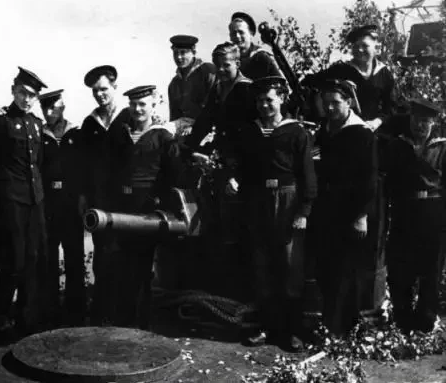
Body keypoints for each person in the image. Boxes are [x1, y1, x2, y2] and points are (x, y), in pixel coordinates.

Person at [0, 66, 49, 342]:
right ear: (13, 91)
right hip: (11, 203)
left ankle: (27, 319)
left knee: (33, 260)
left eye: (32, 95)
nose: (27, 99)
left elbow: (38, 164)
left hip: (34, 201)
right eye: (22, 93)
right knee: (11, 261)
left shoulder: (36, 124)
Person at [241, 76, 317, 351]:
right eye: (260, 101)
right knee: (263, 267)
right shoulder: (250, 132)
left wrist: (303, 210)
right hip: (258, 201)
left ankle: (293, 331)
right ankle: (265, 327)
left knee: (290, 266)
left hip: (288, 199)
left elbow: (307, 175)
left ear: (282, 99)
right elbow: (243, 169)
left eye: (270, 100)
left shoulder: (296, 132)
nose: (264, 105)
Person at [103, 85, 185, 328]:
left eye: (142, 104)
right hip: (122, 209)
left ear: (153, 105)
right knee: (122, 265)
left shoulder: (163, 137)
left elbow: (174, 175)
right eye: (133, 104)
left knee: (143, 266)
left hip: (147, 211)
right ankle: (123, 321)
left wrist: (159, 201)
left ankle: (142, 325)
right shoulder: (121, 134)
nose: (137, 109)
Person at [183, 42, 255, 298]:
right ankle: (221, 291)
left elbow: (251, 137)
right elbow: (204, 122)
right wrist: (188, 149)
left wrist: (239, 174)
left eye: (227, 65)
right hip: (222, 164)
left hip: (242, 168)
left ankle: (241, 294)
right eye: (218, 66)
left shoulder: (247, 90)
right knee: (218, 226)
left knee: (237, 228)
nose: (222, 70)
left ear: (237, 64)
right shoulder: (218, 89)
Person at [312, 79, 378, 336]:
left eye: (335, 103)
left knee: (346, 270)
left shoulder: (362, 134)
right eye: (326, 103)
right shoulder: (324, 131)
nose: (329, 108)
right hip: (325, 209)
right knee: (325, 267)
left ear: (348, 102)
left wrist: (361, 215)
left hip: (350, 211)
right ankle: (329, 324)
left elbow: (369, 178)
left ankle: (343, 328)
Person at [382, 98, 446, 333]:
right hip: (404, 211)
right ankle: (403, 321)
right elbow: (387, 181)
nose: (420, 125)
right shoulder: (396, 146)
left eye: (425, 121)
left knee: (431, 269)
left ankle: (426, 322)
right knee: (400, 268)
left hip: (434, 211)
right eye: (417, 120)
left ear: (433, 123)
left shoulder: (441, 148)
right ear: (410, 119)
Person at [78, 65, 131, 325]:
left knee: (127, 254)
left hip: (127, 201)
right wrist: (83, 197)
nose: (100, 95)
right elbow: (82, 166)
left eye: (104, 89)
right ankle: (103, 312)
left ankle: (126, 312)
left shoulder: (129, 117)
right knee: (102, 254)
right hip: (99, 201)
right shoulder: (89, 124)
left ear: (114, 87)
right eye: (95, 91)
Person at [38, 89, 86, 326]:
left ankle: (76, 311)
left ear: (63, 107)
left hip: (71, 202)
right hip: (47, 203)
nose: (49, 112)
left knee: (74, 256)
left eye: (54, 107)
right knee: (48, 258)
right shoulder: (38, 135)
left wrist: (83, 198)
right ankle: (50, 310)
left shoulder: (77, 133)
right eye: (45, 108)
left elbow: (85, 168)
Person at [307, 25, 396, 132]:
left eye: (365, 45)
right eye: (356, 46)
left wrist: (377, 122)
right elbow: (309, 82)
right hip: (340, 131)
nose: (360, 49)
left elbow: (390, 107)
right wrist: (338, 84)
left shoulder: (384, 74)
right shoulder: (341, 70)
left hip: (372, 131)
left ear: (376, 48)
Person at [167, 34, 216, 136]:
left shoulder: (208, 71)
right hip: (183, 129)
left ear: (193, 52)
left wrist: (196, 126)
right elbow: (174, 116)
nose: (178, 57)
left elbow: (213, 105)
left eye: (183, 52)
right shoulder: (174, 84)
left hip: (208, 126)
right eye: (175, 53)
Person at [228, 11, 283, 81]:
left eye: (241, 32)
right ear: (230, 37)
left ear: (251, 34)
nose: (237, 36)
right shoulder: (228, 62)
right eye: (233, 33)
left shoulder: (261, 57)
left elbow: (280, 84)